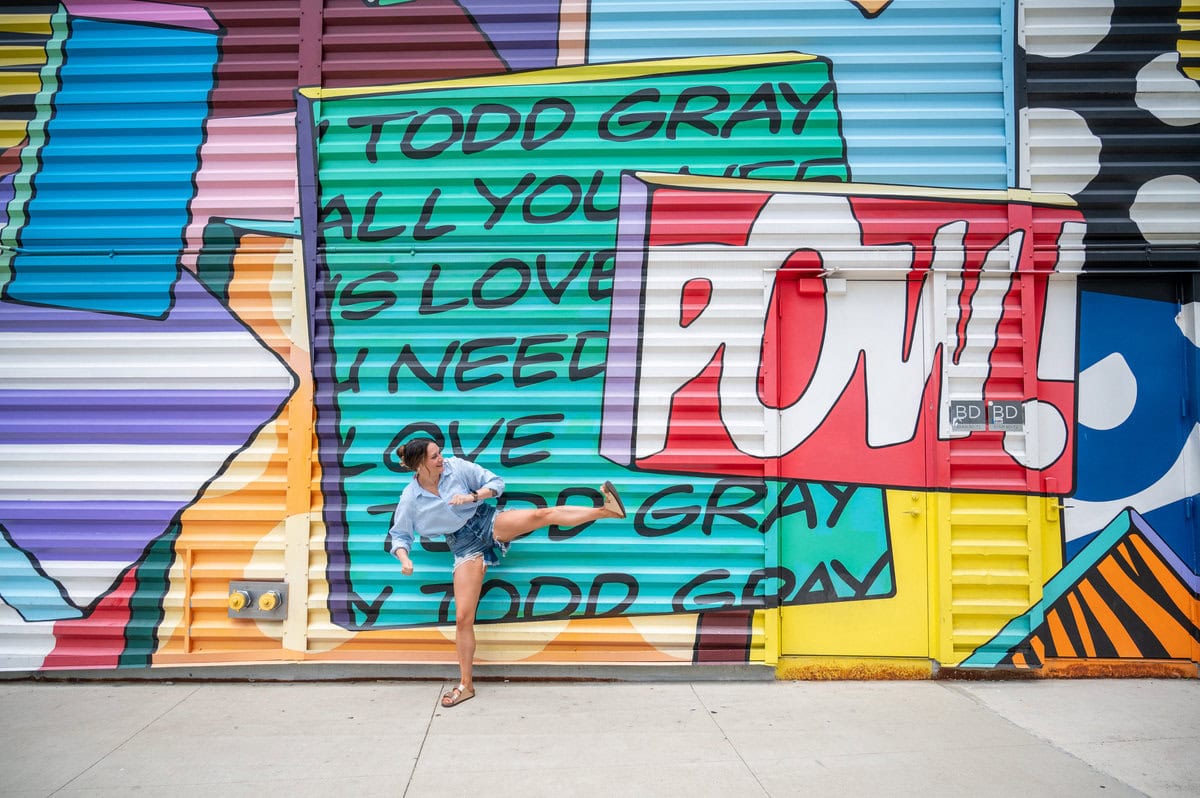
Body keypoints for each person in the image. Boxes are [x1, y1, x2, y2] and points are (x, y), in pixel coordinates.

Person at [388, 437, 626, 708]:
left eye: (440, 452)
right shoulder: (411, 498)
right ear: (419, 464)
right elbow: (399, 535)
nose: (441, 458)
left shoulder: (456, 468)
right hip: (463, 545)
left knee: (542, 515)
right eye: (434, 456)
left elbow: (497, 483)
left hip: (487, 520)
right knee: (463, 618)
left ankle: (607, 511)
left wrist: (473, 496)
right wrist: (404, 559)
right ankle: (466, 685)